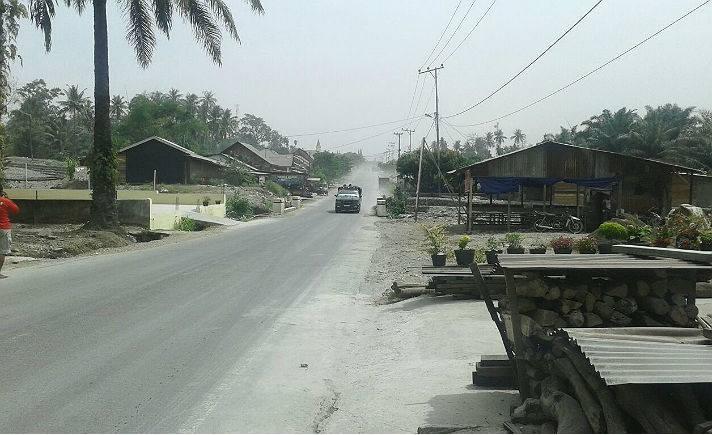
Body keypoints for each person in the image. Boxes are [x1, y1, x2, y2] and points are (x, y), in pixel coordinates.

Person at [0, 190, 20, 279]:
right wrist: (6, 199)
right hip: (4, 228)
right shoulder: (5, 201)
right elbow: (16, 210)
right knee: (2, 251)